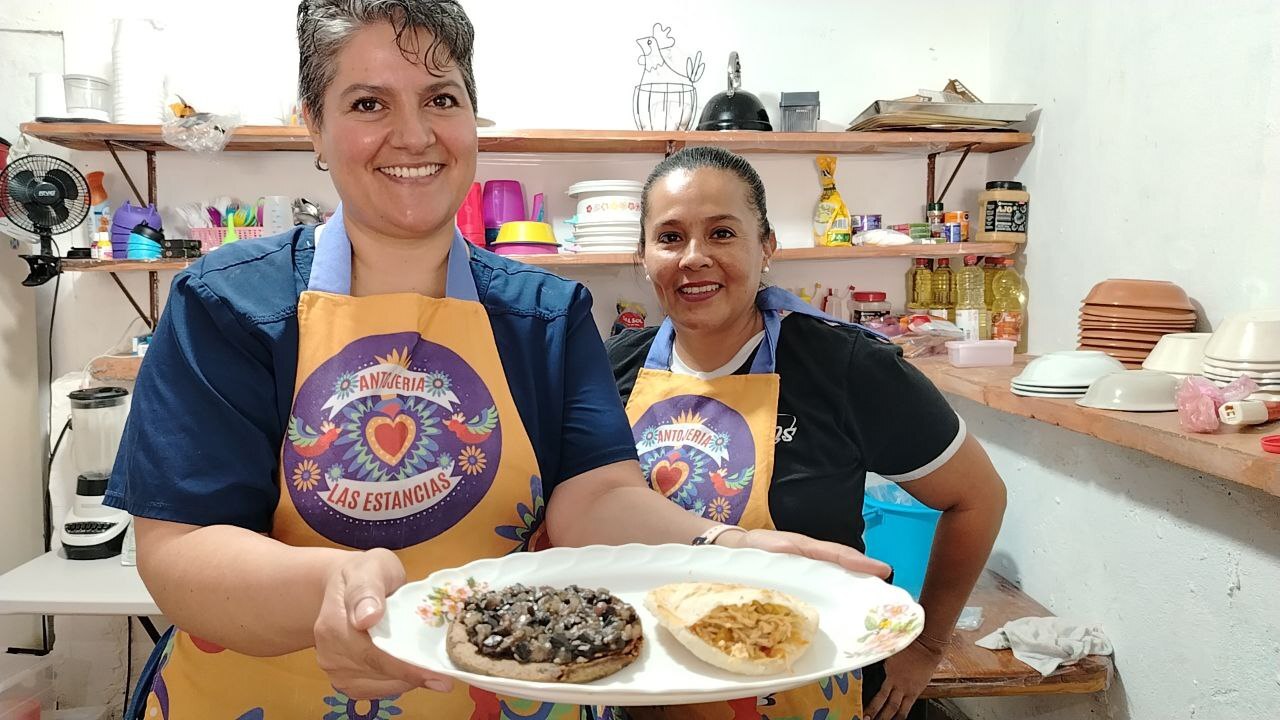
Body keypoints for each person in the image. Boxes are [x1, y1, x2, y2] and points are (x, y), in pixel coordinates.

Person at [106, 4, 891, 718]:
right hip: (268, 693)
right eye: (368, 103)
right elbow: (179, 551)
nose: (414, 135)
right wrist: (331, 587)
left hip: (504, 693)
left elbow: (596, 500)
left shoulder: (544, 315)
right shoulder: (229, 306)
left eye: (441, 99)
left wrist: (727, 547)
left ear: (473, 118)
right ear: (313, 125)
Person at [607, 146, 1008, 720]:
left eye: (722, 233)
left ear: (766, 246)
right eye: (670, 237)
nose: (694, 257)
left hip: (807, 682)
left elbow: (977, 496)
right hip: (655, 686)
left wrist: (926, 644)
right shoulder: (612, 368)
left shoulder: (846, 366)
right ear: (643, 256)